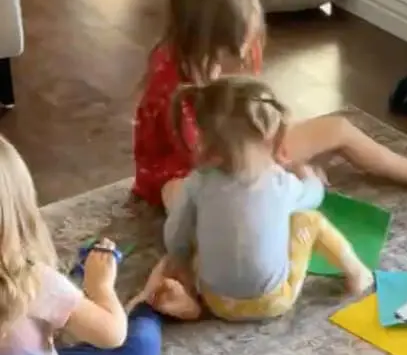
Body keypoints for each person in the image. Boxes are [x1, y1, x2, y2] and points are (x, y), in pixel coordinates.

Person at [133, 0, 407, 213]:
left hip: (240, 150)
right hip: (190, 175)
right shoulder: (171, 85)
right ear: (210, 39)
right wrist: (284, 172)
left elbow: (251, 121)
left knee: (338, 129)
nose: (246, 52)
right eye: (239, 44)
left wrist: (281, 150)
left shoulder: (214, 59)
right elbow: (216, 168)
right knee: (189, 200)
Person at [141, 75, 373, 322]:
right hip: (273, 301)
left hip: (215, 300)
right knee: (311, 220)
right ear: (270, 139)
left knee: (200, 228)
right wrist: (308, 174)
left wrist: (180, 260)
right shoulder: (279, 183)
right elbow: (313, 197)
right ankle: (357, 274)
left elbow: (176, 235)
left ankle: (188, 296)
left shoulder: (198, 181)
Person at [0, 138, 161, 355]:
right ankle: (151, 305)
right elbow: (111, 335)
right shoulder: (35, 281)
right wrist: (99, 286)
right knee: (140, 345)